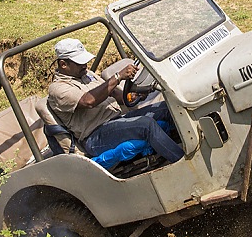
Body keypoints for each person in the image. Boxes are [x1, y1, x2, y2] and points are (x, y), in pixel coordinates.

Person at [47, 38, 184, 168]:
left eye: (84, 61)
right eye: (79, 62)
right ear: (63, 64)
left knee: (167, 108)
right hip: (95, 136)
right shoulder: (58, 89)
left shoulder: (88, 75)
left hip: (117, 120)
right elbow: (88, 101)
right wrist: (118, 77)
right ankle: (184, 163)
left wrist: (137, 95)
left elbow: (117, 95)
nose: (84, 65)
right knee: (146, 125)